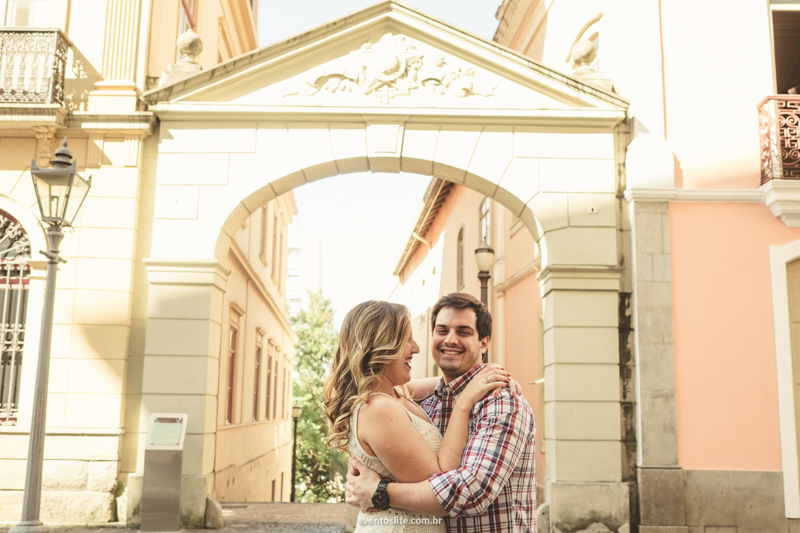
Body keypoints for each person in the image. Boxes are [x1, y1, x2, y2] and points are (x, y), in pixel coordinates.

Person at [344, 293, 537, 533]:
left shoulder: (501, 402)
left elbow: (470, 492)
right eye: (442, 330)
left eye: (464, 332)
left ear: (484, 343)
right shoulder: (423, 402)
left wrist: (379, 492)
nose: (451, 340)